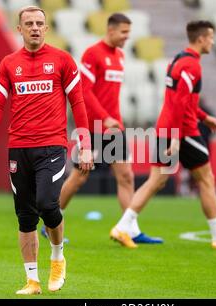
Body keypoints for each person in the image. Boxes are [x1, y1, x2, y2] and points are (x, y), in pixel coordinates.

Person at [0, 6, 93, 295]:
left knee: (47, 204)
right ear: (19, 29)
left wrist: (86, 145)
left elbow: (78, 104)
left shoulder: (63, 60)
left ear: (46, 28)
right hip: (19, 148)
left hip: (52, 146)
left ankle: (57, 258)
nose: (34, 27)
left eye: (39, 23)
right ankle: (32, 280)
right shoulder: (8, 64)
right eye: (28, 23)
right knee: (25, 216)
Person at [109, 21, 216, 249]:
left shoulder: (177, 60)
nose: (212, 42)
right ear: (201, 39)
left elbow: (178, 99)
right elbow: (181, 102)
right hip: (182, 132)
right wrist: (176, 137)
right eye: (211, 37)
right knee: (206, 179)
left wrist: (204, 117)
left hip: (168, 128)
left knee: (157, 181)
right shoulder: (192, 65)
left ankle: (122, 227)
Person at [42, 13, 162, 244]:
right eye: (124, 32)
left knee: (126, 176)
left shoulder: (120, 56)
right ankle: (51, 224)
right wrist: (104, 118)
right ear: (111, 30)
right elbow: (84, 92)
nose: (127, 37)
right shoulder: (92, 54)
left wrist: (113, 119)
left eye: (129, 32)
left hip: (114, 127)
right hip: (94, 126)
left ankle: (129, 229)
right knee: (79, 177)